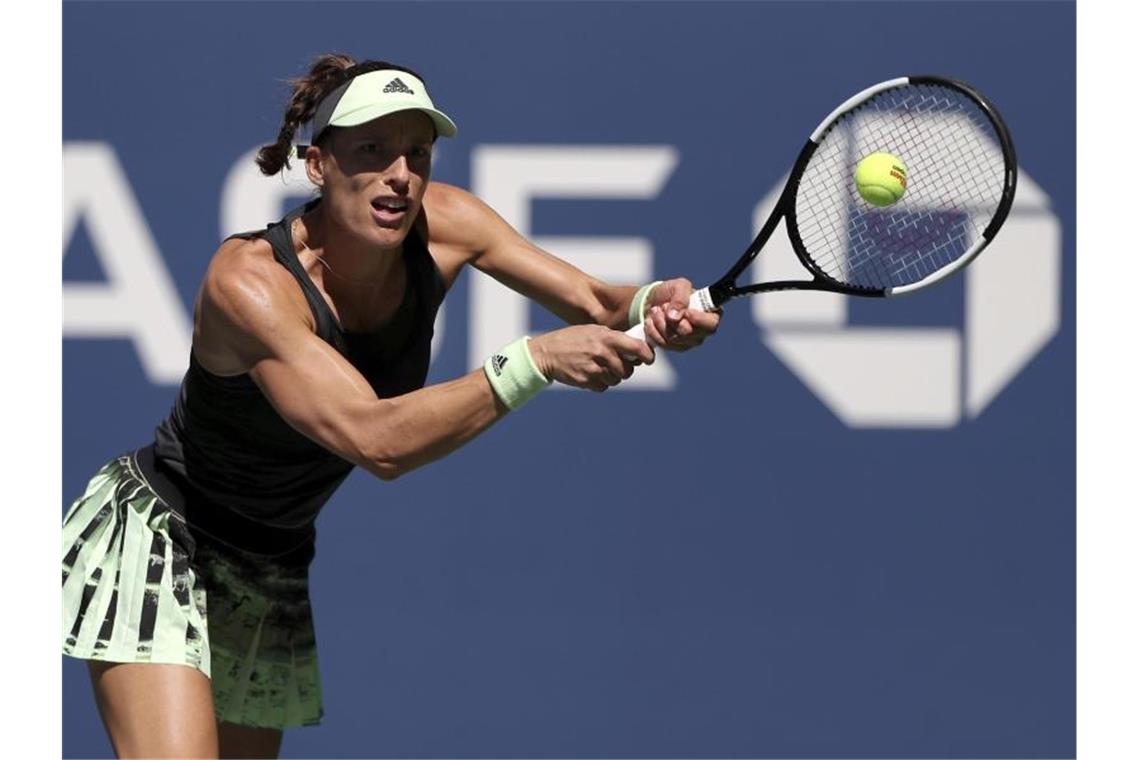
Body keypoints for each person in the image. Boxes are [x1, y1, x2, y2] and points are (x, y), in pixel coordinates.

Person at [61, 53, 720, 758]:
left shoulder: (449, 222)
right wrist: (535, 361)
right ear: (318, 164)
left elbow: (599, 301)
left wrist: (659, 306)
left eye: (417, 152)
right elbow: (375, 440)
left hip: (271, 565)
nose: (399, 174)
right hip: (166, 540)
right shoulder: (249, 283)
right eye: (372, 150)